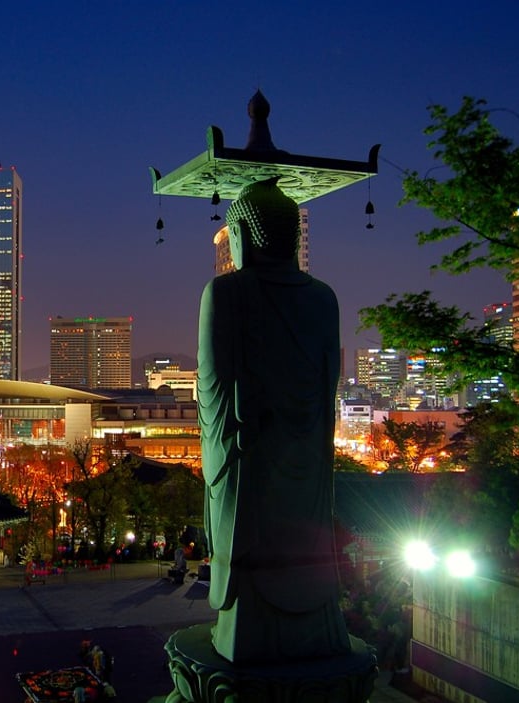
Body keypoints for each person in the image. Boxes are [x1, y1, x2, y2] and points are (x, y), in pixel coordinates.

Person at [197, 177, 350, 664]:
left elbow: (213, 394)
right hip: (307, 466)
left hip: (251, 472)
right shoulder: (325, 299)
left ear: (241, 236)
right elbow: (326, 395)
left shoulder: (224, 293)